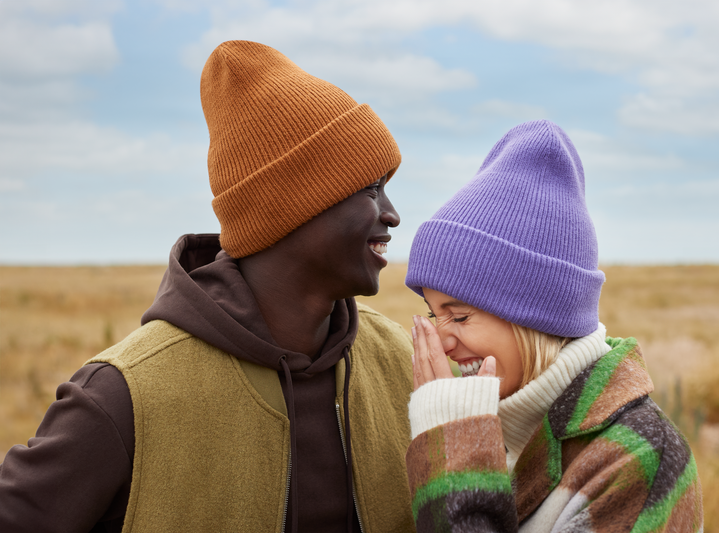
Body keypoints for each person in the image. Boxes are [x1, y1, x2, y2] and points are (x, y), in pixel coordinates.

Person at [0, 40, 415, 533]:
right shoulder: (124, 396)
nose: (391, 214)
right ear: (291, 208)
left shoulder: (401, 361)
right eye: (370, 189)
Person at [403, 120, 703, 533]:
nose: (443, 342)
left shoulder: (637, 459)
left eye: (460, 316)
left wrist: (452, 458)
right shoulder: (501, 424)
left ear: (535, 315)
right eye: (435, 315)